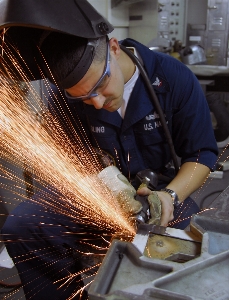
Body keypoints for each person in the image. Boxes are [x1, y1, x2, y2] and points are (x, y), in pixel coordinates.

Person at [1, 9, 218, 300]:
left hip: (162, 197)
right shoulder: (62, 97)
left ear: (114, 49)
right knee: (23, 226)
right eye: (83, 97)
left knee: (185, 249)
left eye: (100, 85)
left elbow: (201, 154)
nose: (99, 102)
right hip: (98, 194)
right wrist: (100, 181)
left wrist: (169, 195)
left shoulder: (173, 77)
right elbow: (70, 159)